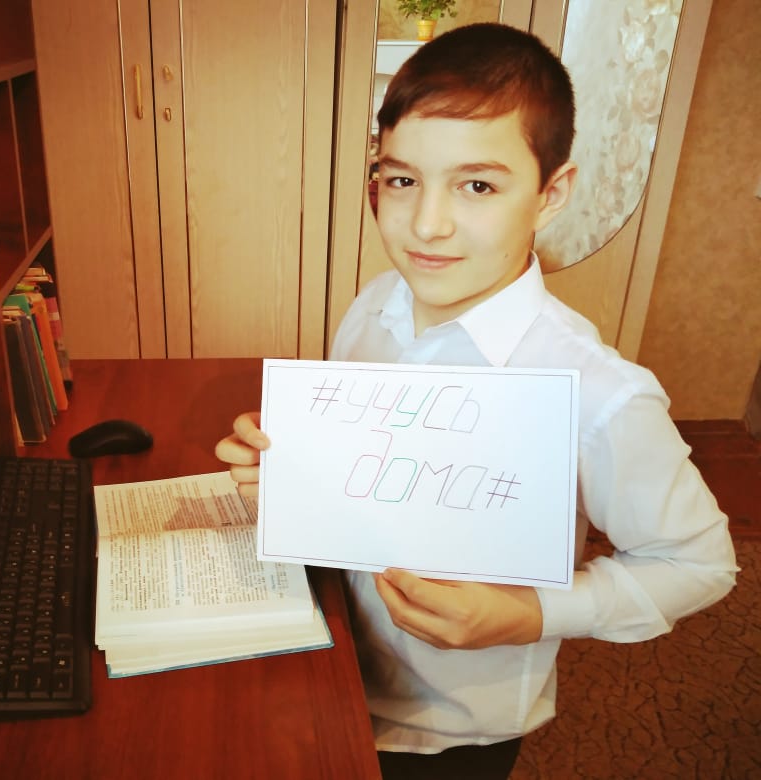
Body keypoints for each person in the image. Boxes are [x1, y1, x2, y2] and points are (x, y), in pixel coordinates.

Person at [214, 22, 738, 780]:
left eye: (478, 186)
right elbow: (370, 479)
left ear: (551, 194)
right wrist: (294, 472)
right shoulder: (373, 306)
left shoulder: (599, 393)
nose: (427, 224)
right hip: (331, 661)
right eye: (402, 180)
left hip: (451, 728)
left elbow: (698, 562)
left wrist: (530, 614)